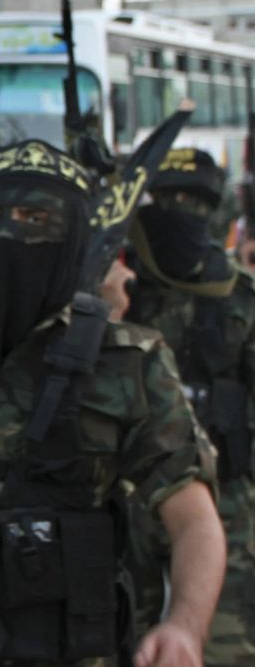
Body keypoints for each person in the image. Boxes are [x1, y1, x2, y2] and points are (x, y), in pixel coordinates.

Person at [0, 140, 225, 666]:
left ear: (72, 235)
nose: (9, 232)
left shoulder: (128, 361)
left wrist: (184, 626)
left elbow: (194, 519)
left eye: (33, 216)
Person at [124, 148, 255, 666]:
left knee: (222, 643)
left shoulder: (239, 298)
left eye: (193, 200)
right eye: (167, 198)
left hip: (230, 509)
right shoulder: (123, 294)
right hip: (135, 504)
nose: (180, 211)